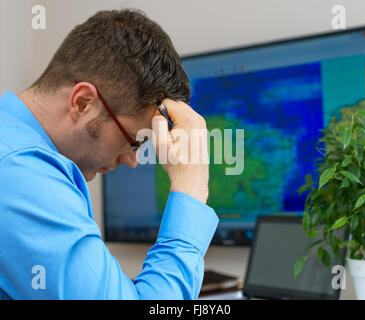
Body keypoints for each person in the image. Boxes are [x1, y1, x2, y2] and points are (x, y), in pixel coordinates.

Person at [0, 8, 218, 299]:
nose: (132, 160)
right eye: (134, 142)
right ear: (82, 102)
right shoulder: (21, 175)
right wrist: (190, 190)